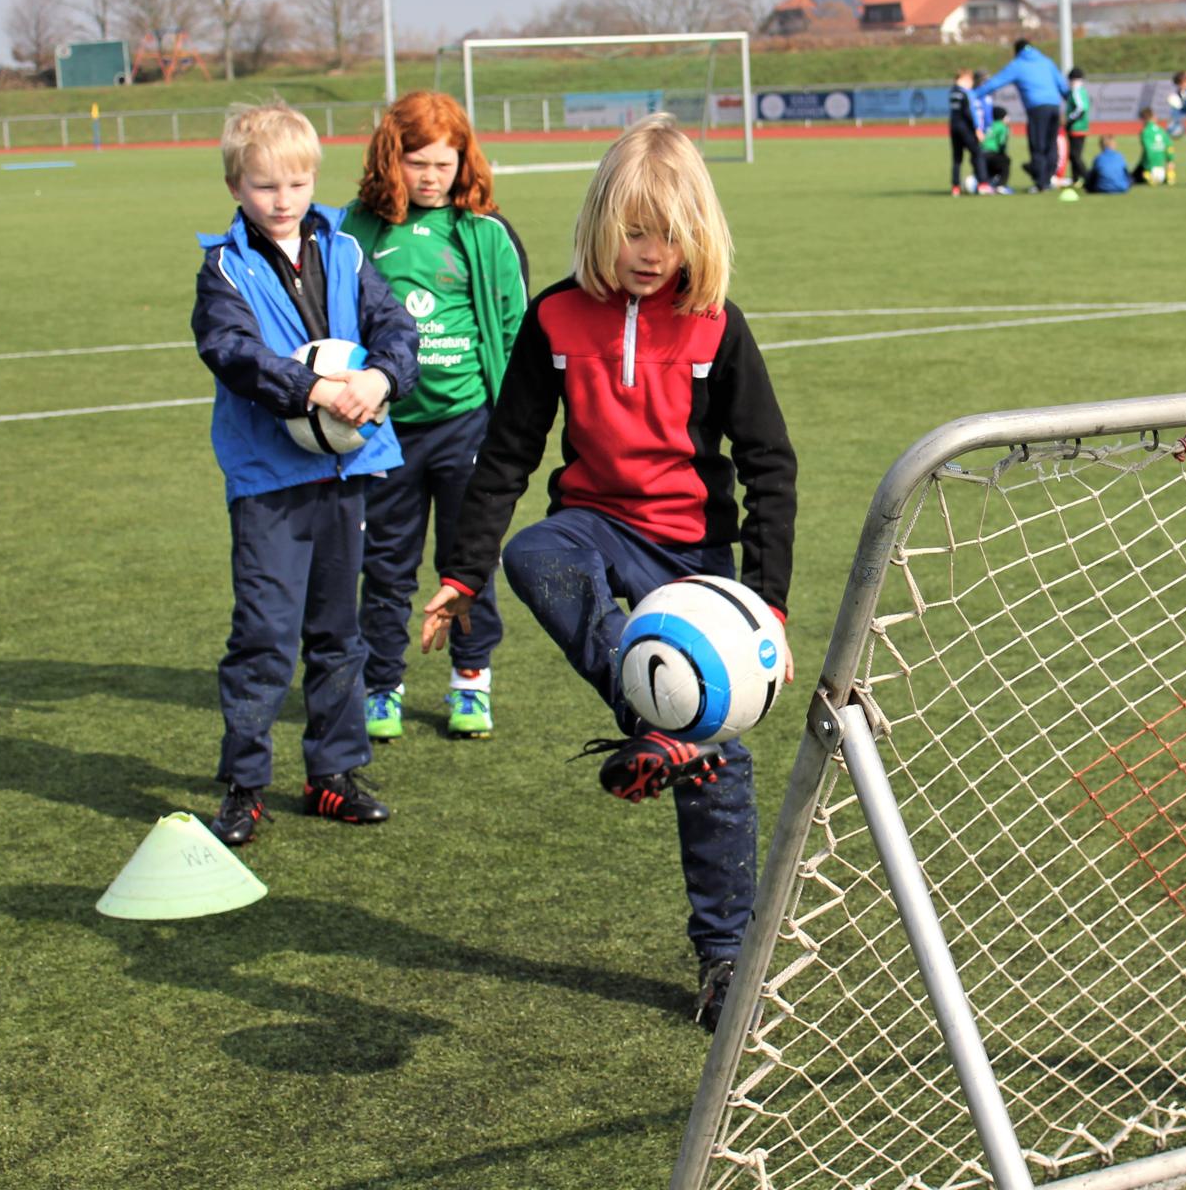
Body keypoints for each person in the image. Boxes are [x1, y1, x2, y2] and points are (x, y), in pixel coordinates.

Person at [419, 114, 797, 1031]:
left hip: (693, 554)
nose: (650, 252)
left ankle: (724, 958)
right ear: (599, 225)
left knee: (718, 759)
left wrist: (766, 607)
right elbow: (508, 454)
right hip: (594, 525)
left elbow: (769, 464)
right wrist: (463, 575)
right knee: (533, 552)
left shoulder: (715, 325)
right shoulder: (556, 316)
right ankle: (652, 715)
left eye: (669, 233)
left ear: (697, 234)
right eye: (632, 231)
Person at [191, 101, 421, 846]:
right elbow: (231, 350)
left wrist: (381, 378)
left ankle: (333, 773)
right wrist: (313, 389)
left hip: (347, 472)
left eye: (295, 183)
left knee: (337, 631)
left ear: (313, 180)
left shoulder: (346, 251)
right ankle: (244, 784)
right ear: (236, 186)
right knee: (264, 634)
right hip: (269, 480)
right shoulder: (224, 267)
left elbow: (396, 328)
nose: (282, 199)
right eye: (264, 186)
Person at [343, 91, 530, 744]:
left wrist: (512, 421)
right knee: (385, 565)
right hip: (383, 432)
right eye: (416, 163)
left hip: (467, 426)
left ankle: (471, 679)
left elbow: (513, 328)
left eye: (443, 165)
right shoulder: (356, 230)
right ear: (389, 160)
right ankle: (381, 686)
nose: (430, 177)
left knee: (467, 560)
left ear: (463, 162)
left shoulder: (485, 231)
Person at [972, 38, 1070, 193]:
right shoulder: (1046, 61)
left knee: (1037, 146)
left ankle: (1041, 183)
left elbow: (995, 82)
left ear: (1017, 51)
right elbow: (1062, 86)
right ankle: (1049, 179)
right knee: (1051, 145)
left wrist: (972, 95)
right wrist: (1070, 101)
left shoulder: (1018, 64)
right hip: (1054, 107)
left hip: (1037, 109)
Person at [946, 68, 990, 196]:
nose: (971, 84)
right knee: (978, 153)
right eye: (970, 80)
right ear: (964, 79)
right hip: (966, 128)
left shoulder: (952, 92)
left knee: (957, 159)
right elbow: (970, 112)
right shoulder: (966, 93)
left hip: (953, 128)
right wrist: (977, 129)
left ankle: (955, 187)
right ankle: (983, 184)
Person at [1132, 106, 1175, 186]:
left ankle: (1148, 177)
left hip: (1150, 170)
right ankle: (1170, 175)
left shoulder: (1145, 132)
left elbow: (1149, 151)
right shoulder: (1161, 130)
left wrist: (1148, 169)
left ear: (1144, 119)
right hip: (1162, 171)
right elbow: (1169, 147)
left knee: (1130, 178)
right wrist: (1171, 161)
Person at [1064, 68, 1091, 186]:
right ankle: (1075, 179)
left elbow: (1081, 108)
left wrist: (1069, 120)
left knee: (1075, 155)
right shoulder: (1082, 90)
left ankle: (1088, 178)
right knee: (1073, 155)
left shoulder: (1076, 90)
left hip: (1077, 127)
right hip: (1080, 127)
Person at [980, 106, 1013, 192]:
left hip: (980, 154)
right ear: (1003, 117)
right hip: (991, 153)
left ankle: (988, 183)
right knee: (1005, 161)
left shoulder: (989, 125)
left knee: (989, 167)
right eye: (1007, 116)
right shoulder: (1003, 126)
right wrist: (1004, 154)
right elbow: (1002, 144)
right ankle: (1001, 185)